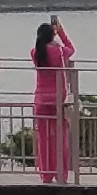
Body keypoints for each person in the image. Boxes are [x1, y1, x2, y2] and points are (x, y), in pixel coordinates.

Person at [26, 17, 79, 185]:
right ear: (52, 35)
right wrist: (61, 32)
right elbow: (71, 49)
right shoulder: (60, 52)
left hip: (40, 99)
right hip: (58, 98)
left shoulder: (35, 53)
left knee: (43, 138)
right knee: (60, 138)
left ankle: (46, 175)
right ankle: (61, 174)